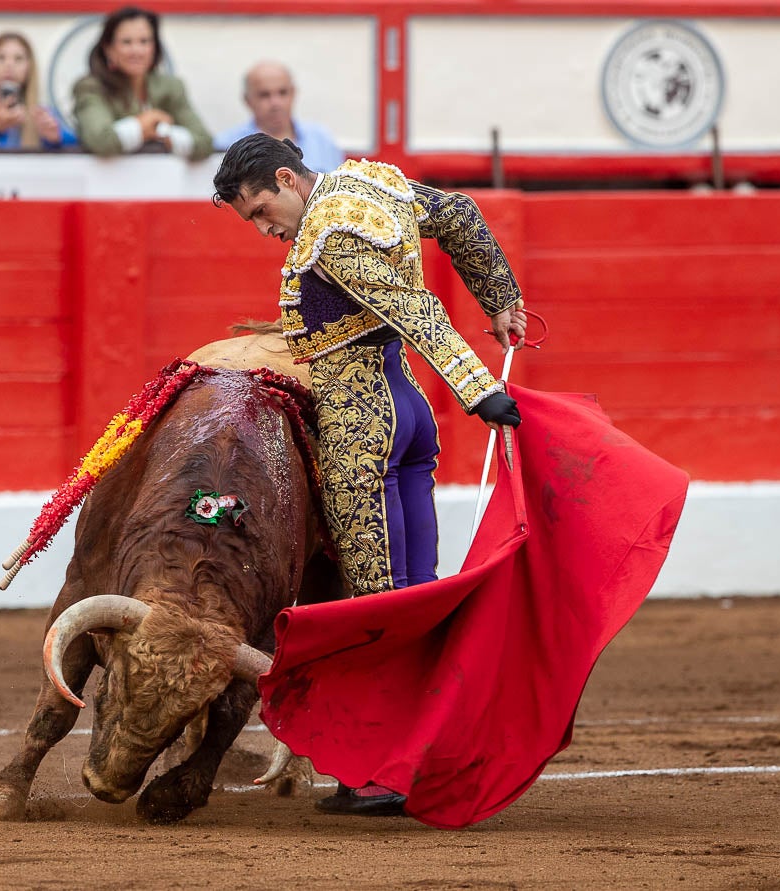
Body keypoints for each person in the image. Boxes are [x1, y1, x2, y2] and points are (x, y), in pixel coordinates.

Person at [212, 134, 527, 817]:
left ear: (288, 179)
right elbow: (460, 215)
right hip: (405, 413)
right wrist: (500, 296)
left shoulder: (330, 232)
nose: (265, 228)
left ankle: (384, 773)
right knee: (417, 594)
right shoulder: (370, 186)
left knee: (377, 605)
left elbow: (416, 312)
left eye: (263, 209)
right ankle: (428, 754)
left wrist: (479, 392)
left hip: (363, 428)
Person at [72, 6, 212, 160]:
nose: (136, 51)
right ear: (109, 49)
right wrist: (143, 123)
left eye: (144, 41)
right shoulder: (90, 87)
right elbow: (101, 142)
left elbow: (204, 142)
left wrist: (163, 131)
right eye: (127, 42)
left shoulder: (171, 86)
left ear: (154, 47)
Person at [0, 32, 76, 149]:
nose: (9, 65)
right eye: (1, 58)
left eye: (18, 59)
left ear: (29, 68)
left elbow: (80, 143)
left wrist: (56, 138)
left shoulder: (42, 116)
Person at [214, 61, 343, 172]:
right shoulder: (225, 145)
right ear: (247, 100)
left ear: (293, 93)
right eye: (264, 95)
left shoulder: (322, 139)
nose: (275, 103)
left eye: (282, 92)